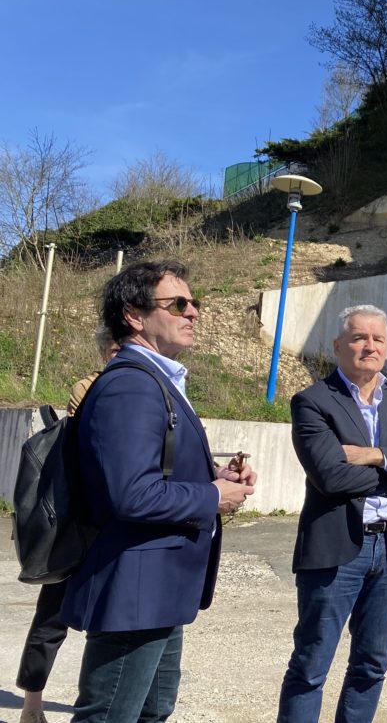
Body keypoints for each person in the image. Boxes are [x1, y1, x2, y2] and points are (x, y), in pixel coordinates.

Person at [60, 260, 256, 723]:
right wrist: (212, 497)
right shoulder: (131, 384)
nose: (194, 313)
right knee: (109, 716)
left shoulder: (155, 380)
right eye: (179, 304)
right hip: (136, 590)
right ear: (134, 314)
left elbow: (152, 469)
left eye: (195, 304)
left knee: (153, 710)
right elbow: (131, 494)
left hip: (158, 588)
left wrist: (215, 475)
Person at [277, 304, 387, 722]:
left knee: (372, 664)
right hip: (337, 549)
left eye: (377, 339)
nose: (368, 346)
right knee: (311, 664)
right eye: (358, 337)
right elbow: (331, 478)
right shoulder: (313, 402)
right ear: (338, 346)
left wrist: (376, 456)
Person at [16, 327, 119, 723]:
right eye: (111, 350)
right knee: (51, 618)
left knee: (107, 620)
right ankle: (32, 704)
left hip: (110, 525)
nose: (116, 357)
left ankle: (95, 696)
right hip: (76, 523)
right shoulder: (88, 387)